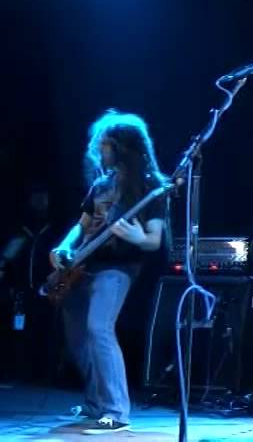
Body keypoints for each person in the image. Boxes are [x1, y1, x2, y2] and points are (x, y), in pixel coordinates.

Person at [49, 110, 168, 435]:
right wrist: (63, 246)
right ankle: (95, 405)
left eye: (105, 145)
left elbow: (154, 240)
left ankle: (116, 412)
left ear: (123, 148)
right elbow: (82, 225)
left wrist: (137, 237)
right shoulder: (101, 184)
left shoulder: (150, 186)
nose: (99, 150)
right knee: (78, 339)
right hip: (81, 265)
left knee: (99, 328)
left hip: (117, 267)